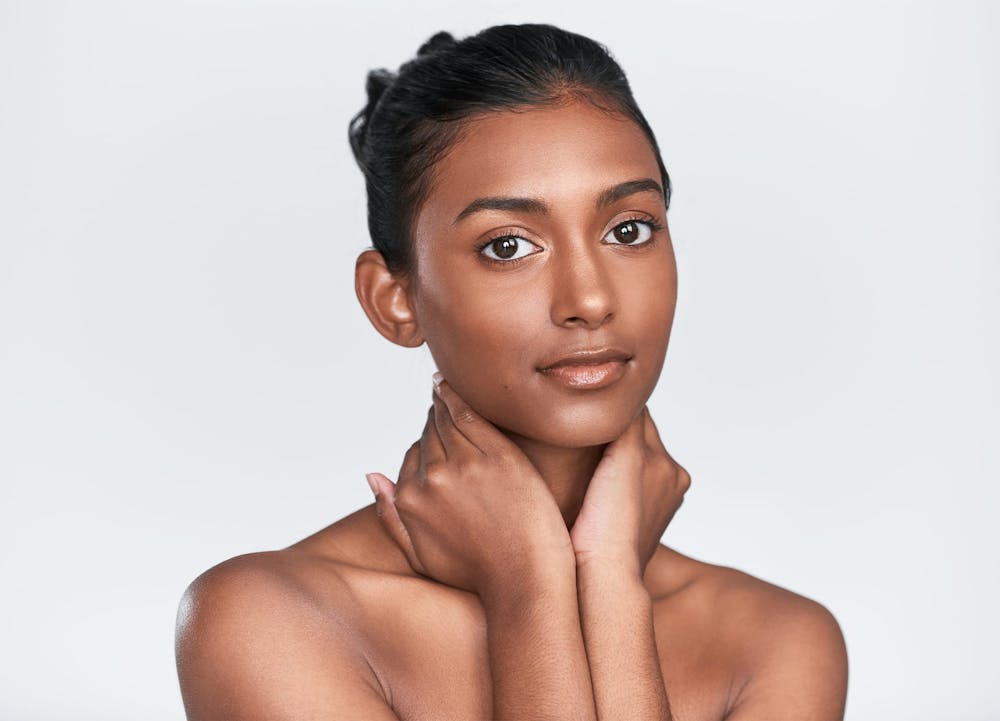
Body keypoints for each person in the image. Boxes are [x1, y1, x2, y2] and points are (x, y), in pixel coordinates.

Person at [174, 23, 848, 721]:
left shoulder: (777, 640)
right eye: (508, 246)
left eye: (629, 230)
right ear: (395, 299)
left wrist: (610, 584)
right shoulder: (273, 620)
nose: (590, 299)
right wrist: (530, 593)